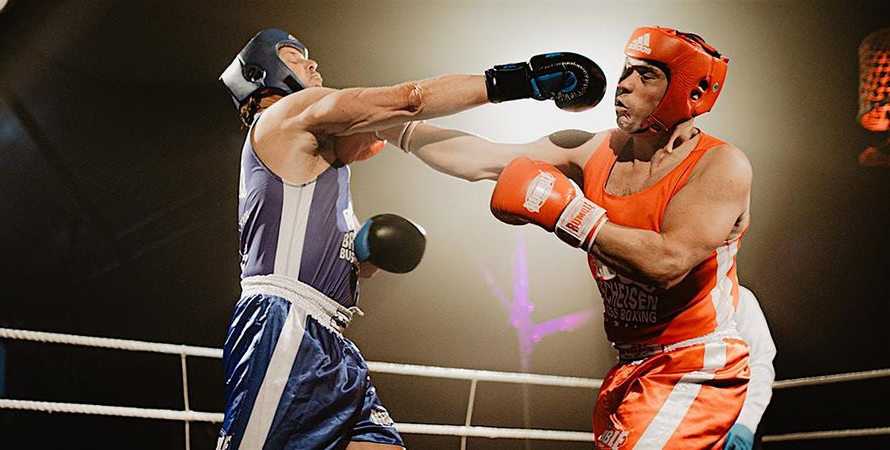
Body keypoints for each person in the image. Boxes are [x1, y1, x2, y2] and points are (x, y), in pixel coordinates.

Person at [216, 28, 604, 449]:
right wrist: (521, 79)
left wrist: (577, 155)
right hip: (283, 327)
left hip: (329, 339)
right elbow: (410, 99)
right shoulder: (285, 114)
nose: (311, 62)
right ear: (262, 75)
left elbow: (472, 158)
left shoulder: (318, 154)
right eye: (294, 56)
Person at [380, 26, 749, 449]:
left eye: (646, 75)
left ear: (691, 90)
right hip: (630, 364)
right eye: (626, 70)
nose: (624, 84)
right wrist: (381, 124)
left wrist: (568, 213)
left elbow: (667, 263)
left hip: (695, 363)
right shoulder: (592, 150)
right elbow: (479, 160)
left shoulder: (720, 165)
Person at [726, 286, 776, 450]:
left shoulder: (738, 297)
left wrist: (746, 422)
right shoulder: (667, 302)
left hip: (732, 422)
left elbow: (760, 362)